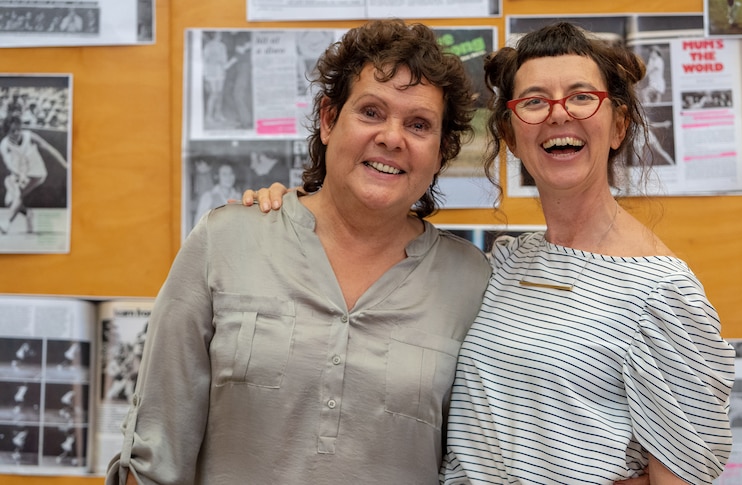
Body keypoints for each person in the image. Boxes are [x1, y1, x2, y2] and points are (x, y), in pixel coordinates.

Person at [248, 21, 734, 485]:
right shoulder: (503, 264)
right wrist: (302, 208)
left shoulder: (663, 293)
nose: (559, 114)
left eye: (583, 98)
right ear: (510, 136)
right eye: (535, 101)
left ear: (619, 125)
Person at [105, 19, 491, 484]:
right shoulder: (225, 241)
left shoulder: (472, 281)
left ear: (440, 152)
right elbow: (154, 453)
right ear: (329, 119)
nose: (392, 137)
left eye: (419, 124)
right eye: (371, 112)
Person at [0, 114, 68, 235]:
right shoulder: (4, 145)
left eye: (18, 129)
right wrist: (19, 175)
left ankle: (6, 223)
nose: (16, 133)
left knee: (19, 195)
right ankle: (28, 213)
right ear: (6, 132)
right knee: (10, 202)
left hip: (37, 173)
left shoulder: (29, 136)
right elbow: (9, 164)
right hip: (20, 173)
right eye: (12, 131)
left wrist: (64, 164)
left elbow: (49, 148)